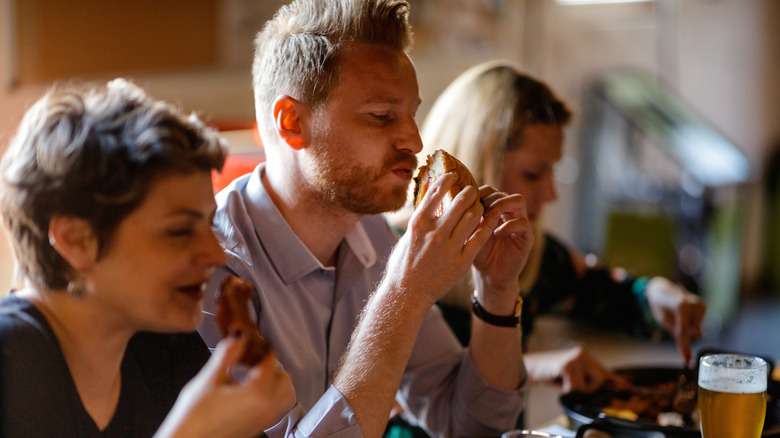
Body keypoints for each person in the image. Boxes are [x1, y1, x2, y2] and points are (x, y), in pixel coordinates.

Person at [197, 1, 535, 437]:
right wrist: (403, 295)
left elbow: (469, 426)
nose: (414, 140)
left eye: (411, 113)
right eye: (382, 116)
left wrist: (497, 288)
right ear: (292, 122)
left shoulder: (373, 236)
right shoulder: (213, 270)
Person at [387, 60, 707, 395]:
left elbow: (604, 292)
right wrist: (532, 366)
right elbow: (403, 389)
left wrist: (657, 294)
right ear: (479, 163)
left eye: (554, 171)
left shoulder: (526, 251)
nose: (551, 194)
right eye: (533, 173)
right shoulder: (385, 252)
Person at [0, 79, 295, 438]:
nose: (215, 254)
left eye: (208, 224)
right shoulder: (11, 357)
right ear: (76, 241)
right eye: (179, 232)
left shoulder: (165, 347)